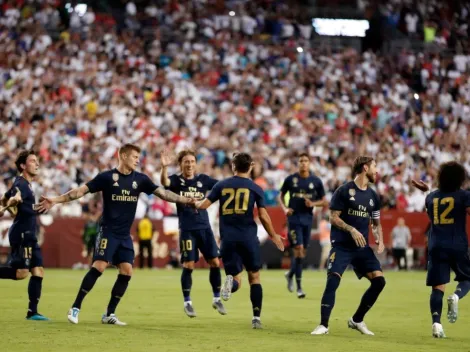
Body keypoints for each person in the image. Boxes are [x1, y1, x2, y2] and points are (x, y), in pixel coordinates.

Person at [37, 143, 194, 325]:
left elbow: (164, 194)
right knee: (100, 266)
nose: (137, 160)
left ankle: (109, 314)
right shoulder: (107, 177)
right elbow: (79, 192)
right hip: (108, 231)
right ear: (123, 156)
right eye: (135, 157)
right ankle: (75, 307)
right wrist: (55, 200)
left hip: (124, 235)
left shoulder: (141, 179)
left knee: (127, 271)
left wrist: (185, 200)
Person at [195, 153, 284, 329]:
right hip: (248, 238)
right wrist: (273, 235)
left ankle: (231, 284)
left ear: (233, 166)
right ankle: (256, 318)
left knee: (236, 278)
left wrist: (192, 203)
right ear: (250, 166)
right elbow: (264, 216)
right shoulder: (255, 188)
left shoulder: (221, 185)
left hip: (228, 238)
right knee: (254, 277)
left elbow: (204, 205)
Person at [311, 156, 386, 336]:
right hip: (342, 246)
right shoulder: (344, 190)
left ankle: (357, 320)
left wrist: (380, 239)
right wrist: (351, 229)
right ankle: (323, 325)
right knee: (333, 281)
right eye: (375, 167)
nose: (377, 171)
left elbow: (376, 223)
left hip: (362, 248)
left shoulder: (373, 196)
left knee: (379, 281)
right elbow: (333, 217)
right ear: (365, 168)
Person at [160, 149, 225, 317]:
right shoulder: (176, 180)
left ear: (196, 164)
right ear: (181, 164)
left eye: (192, 162)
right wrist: (164, 168)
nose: (189, 164)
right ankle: (187, 302)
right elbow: (165, 183)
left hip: (205, 227)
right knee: (189, 265)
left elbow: (221, 188)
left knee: (215, 262)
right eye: (186, 162)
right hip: (187, 229)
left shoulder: (203, 180)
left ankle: (216, 298)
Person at [412, 161, 470, 338]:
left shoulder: (430, 197)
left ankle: (436, 324)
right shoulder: (464, 195)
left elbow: (437, 201)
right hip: (457, 243)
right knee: (467, 278)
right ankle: (456, 296)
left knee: (437, 287)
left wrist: (429, 190)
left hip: (436, 244)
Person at [0, 150, 49, 320]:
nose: (37, 164)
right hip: (22, 233)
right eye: (33, 161)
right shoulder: (21, 184)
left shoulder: (25, 184)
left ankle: (32, 312)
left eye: (37, 161)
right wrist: (14, 201)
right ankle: (32, 312)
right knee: (21, 273)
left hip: (29, 233)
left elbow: (5, 198)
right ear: (23, 165)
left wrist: (7, 204)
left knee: (38, 270)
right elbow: (16, 197)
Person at [278, 153, 327, 298]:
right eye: (301, 161)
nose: (303, 163)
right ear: (298, 163)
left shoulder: (316, 181)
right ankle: (299, 287)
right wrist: (285, 209)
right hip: (294, 219)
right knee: (298, 249)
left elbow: (324, 201)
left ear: (309, 163)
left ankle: (290, 274)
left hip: (307, 219)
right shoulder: (290, 179)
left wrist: (313, 203)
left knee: (302, 253)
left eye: (306, 161)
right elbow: (280, 196)